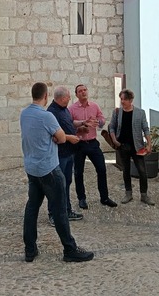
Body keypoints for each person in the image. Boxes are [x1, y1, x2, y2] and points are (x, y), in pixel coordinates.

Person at [20, 82, 94, 263]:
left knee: (32, 208)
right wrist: (58, 136)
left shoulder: (24, 114)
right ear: (46, 96)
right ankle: (70, 249)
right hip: (49, 169)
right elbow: (61, 139)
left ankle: (30, 249)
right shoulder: (47, 117)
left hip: (32, 169)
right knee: (60, 210)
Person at [68, 84, 117, 209]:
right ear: (76, 94)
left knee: (101, 169)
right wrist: (80, 128)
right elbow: (68, 125)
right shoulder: (71, 109)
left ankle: (104, 197)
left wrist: (98, 122)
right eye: (80, 91)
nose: (83, 92)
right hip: (78, 144)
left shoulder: (94, 106)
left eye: (85, 90)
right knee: (78, 172)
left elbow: (102, 119)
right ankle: (81, 198)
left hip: (93, 143)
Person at [108, 89, 155, 206]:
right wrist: (114, 140)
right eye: (121, 99)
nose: (122, 101)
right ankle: (128, 193)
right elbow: (111, 126)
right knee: (126, 170)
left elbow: (145, 129)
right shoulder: (117, 112)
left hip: (137, 146)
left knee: (142, 171)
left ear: (131, 100)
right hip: (122, 146)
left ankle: (144, 195)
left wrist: (149, 144)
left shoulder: (140, 113)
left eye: (124, 99)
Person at [46, 86, 83, 226]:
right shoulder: (51, 113)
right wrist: (69, 138)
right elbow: (52, 136)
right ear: (62, 98)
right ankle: (53, 214)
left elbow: (69, 123)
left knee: (66, 183)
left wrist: (81, 126)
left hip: (69, 153)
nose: (69, 99)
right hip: (59, 155)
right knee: (56, 185)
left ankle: (66, 210)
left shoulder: (64, 109)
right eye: (68, 97)